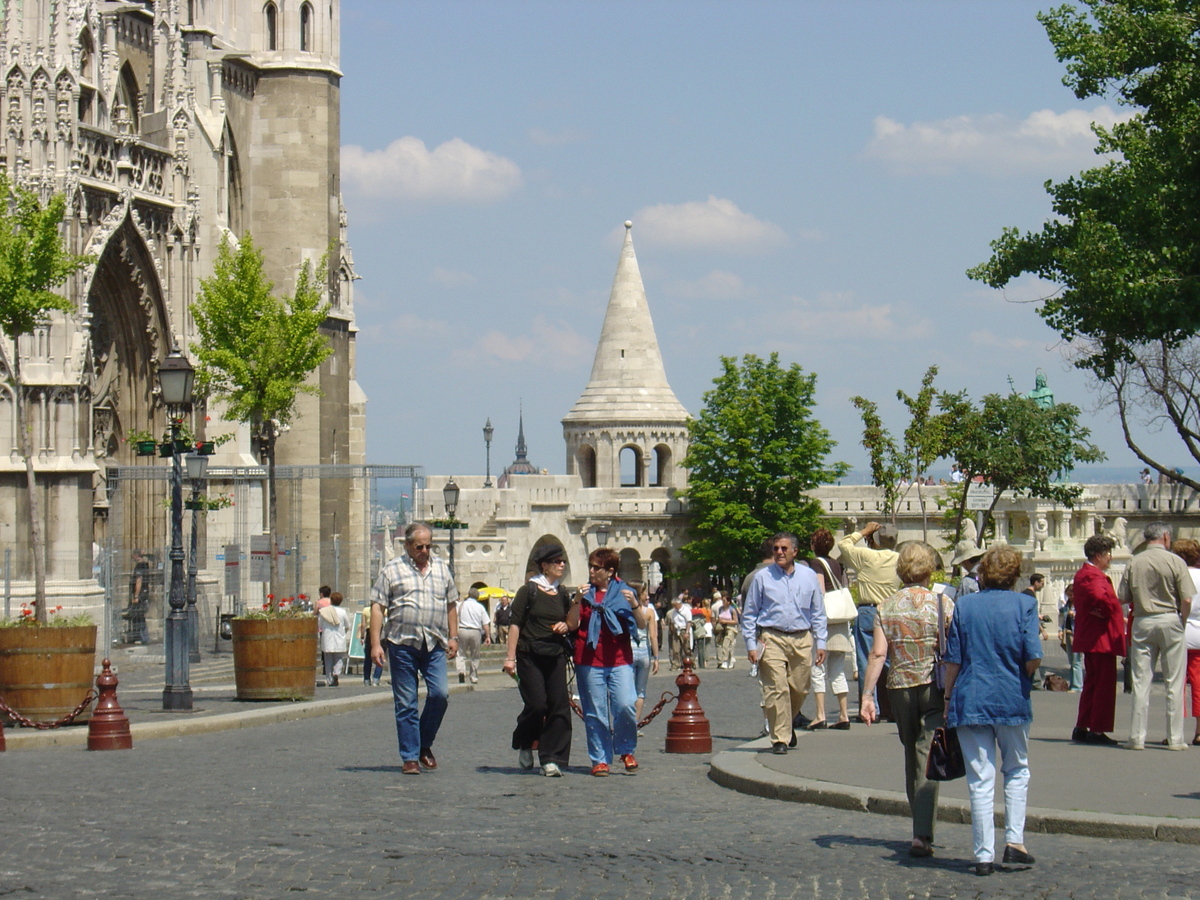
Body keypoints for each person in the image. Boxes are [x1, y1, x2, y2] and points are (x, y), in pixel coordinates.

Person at [943, 546, 1041, 877]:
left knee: (980, 777)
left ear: (983, 572)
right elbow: (1032, 655)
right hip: (1012, 696)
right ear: (1015, 575)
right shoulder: (1025, 603)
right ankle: (1014, 842)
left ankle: (983, 854)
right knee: (1016, 769)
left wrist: (947, 697)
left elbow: (953, 657)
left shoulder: (965, 605)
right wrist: (1023, 678)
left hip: (971, 695)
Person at [860, 541, 950, 858]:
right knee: (927, 755)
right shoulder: (943, 604)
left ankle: (919, 826)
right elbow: (952, 653)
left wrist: (868, 694)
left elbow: (879, 653)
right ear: (930, 569)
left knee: (912, 755)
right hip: (934, 686)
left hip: (899, 688)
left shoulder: (886, 606)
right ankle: (921, 832)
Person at [369, 522, 459, 775]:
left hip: (434, 643)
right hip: (402, 644)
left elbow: (452, 603)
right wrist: (376, 643)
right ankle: (410, 756)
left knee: (440, 695)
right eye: (419, 546)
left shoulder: (442, 568)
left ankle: (424, 743)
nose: (424, 550)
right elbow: (378, 606)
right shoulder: (392, 570)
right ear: (407, 545)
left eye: (429, 546)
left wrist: (454, 636)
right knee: (406, 702)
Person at [741, 532, 828, 755]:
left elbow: (818, 612)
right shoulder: (763, 577)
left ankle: (786, 724)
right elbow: (749, 613)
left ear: (795, 552)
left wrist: (821, 642)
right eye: (776, 548)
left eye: (784, 548)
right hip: (772, 637)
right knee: (776, 688)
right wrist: (751, 644)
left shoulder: (809, 576)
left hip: (802, 637)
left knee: (800, 687)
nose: (779, 552)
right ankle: (780, 738)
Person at [566, 547, 644, 776]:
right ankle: (600, 759)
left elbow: (639, 624)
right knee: (595, 712)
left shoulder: (624, 592)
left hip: (619, 659)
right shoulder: (585, 593)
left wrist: (635, 605)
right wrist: (576, 601)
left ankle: (626, 749)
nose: (591, 571)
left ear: (609, 571)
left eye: (596, 568)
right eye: (590, 566)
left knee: (625, 705)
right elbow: (572, 625)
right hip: (589, 659)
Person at [1119, 521, 1193, 751]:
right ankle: (1175, 737)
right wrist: (1181, 619)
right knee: (1174, 681)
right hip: (1170, 618)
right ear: (1165, 537)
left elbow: (1122, 596)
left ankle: (1136, 737)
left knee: (1141, 681)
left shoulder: (1134, 561)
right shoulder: (1175, 561)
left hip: (1142, 619)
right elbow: (1188, 598)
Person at [503, 544, 572, 777]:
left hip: (555, 654)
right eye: (556, 561)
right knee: (537, 705)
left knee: (558, 706)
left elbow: (571, 619)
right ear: (544, 566)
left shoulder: (562, 593)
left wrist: (566, 625)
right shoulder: (528, 591)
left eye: (562, 561)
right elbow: (515, 624)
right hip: (529, 654)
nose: (561, 565)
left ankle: (550, 757)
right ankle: (524, 741)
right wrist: (510, 658)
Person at [837, 522, 900, 715]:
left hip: (868, 609)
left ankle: (871, 705)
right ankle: (895, 706)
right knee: (890, 660)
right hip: (891, 610)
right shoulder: (900, 558)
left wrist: (864, 531)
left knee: (866, 659)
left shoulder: (866, 556)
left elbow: (843, 544)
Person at [1070, 534, 1125, 745]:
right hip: (1101, 637)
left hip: (1093, 636)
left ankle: (1084, 724)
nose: (1110, 558)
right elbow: (1102, 598)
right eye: (1108, 554)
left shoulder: (1086, 574)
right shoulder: (1093, 576)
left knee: (1092, 683)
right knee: (1103, 685)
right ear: (1098, 555)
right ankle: (1097, 728)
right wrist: (1107, 611)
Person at [801, 528, 852, 730]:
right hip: (840, 621)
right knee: (838, 669)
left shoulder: (817, 563)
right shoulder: (836, 563)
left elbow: (820, 590)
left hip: (826, 621)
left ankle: (820, 715)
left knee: (818, 668)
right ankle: (843, 714)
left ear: (814, 545)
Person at [1174, 538, 1200, 746]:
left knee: (1176, 684)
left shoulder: (1178, 576)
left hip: (1180, 631)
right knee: (1199, 684)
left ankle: (1175, 730)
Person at [629, 582, 660, 726]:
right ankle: (635, 723)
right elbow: (653, 636)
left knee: (626, 688)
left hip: (628, 650)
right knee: (640, 690)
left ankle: (626, 723)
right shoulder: (649, 612)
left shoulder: (626, 610)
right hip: (644, 652)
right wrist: (656, 658)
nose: (647, 596)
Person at [456, 587, 491, 684]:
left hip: (462, 630)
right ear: (478, 597)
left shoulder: (461, 605)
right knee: (475, 655)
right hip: (475, 631)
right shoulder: (480, 607)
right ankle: (473, 676)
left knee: (461, 653)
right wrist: (488, 636)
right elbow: (485, 623)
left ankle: (461, 672)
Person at [318, 591, 351, 686]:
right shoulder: (343, 612)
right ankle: (336, 673)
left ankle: (329, 680)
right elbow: (347, 625)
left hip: (327, 638)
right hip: (339, 637)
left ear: (331, 600)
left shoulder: (324, 611)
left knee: (328, 660)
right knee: (339, 659)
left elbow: (319, 624)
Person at [1058, 584, 1084, 692]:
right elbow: (1062, 618)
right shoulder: (1067, 605)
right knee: (1071, 660)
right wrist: (1060, 630)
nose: (1070, 597)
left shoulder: (1081, 605)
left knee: (1076, 660)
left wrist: (1075, 615)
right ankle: (1073, 683)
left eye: (1072, 595)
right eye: (1068, 595)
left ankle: (1078, 685)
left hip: (1077, 633)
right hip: (1068, 632)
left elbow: (1085, 618)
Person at [714, 591, 740, 669]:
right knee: (722, 644)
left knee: (726, 644)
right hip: (722, 628)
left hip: (730, 628)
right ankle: (730, 659)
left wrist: (725, 621)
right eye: (722, 600)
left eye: (724, 601)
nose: (723, 602)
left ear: (728, 602)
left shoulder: (732, 610)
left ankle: (725, 661)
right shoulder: (720, 609)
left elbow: (736, 621)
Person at [669, 595, 692, 669]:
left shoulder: (686, 610)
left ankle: (688, 663)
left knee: (686, 648)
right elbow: (672, 621)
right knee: (676, 649)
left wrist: (687, 632)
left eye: (675, 605)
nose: (674, 607)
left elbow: (689, 622)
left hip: (683, 630)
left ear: (679, 604)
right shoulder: (674, 612)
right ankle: (676, 664)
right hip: (676, 630)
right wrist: (672, 630)